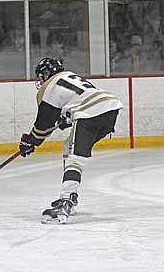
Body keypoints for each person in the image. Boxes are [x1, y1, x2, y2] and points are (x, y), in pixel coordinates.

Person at [19, 57, 123, 224]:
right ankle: (71, 199)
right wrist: (66, 119)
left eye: (41, 76)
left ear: (46, 74)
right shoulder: (69, 76)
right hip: (110, 110)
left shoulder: (50, 86)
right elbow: (82, 102)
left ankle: (66, 201)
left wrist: (30, 141)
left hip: (90, 113)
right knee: (69, 146)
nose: (40, 81)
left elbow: (43, 124)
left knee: (75, 156)